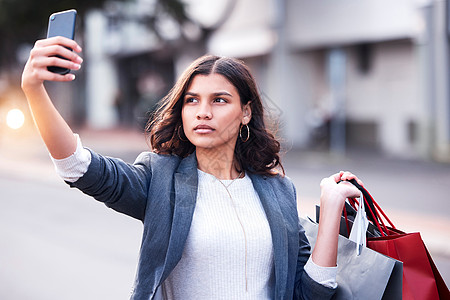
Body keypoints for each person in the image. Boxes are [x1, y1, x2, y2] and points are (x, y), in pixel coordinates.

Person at [21, 36, 363, 300]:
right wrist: (34, 90)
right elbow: (79, 167)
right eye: (192, 100)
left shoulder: (278, 190)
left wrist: (331, 209)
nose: (203, 112)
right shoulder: (159, 178)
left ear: (245, 112)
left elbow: (309, 293)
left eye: (219, 100)